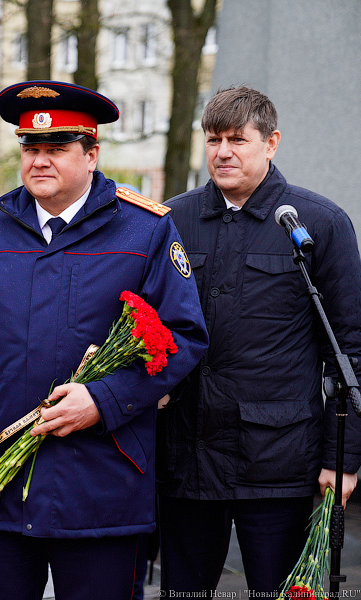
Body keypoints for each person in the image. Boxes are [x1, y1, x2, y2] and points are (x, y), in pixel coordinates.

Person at [0, 80, 209, 599]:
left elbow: (183, 337)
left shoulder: (144, 230)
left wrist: (104, 399)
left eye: (57, 148)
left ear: (91, 154)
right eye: (31, 148)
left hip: (103, 481)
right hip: (1, 479)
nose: (40, 160)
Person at [158, 85, 361, 595]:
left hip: (277, 461)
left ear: (271, 143)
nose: (223, 152)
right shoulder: (171, 220)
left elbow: (349, 349)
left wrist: (342, 459)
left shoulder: (318, 223)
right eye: (213, 139)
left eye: (237, 139)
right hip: (185, 456)